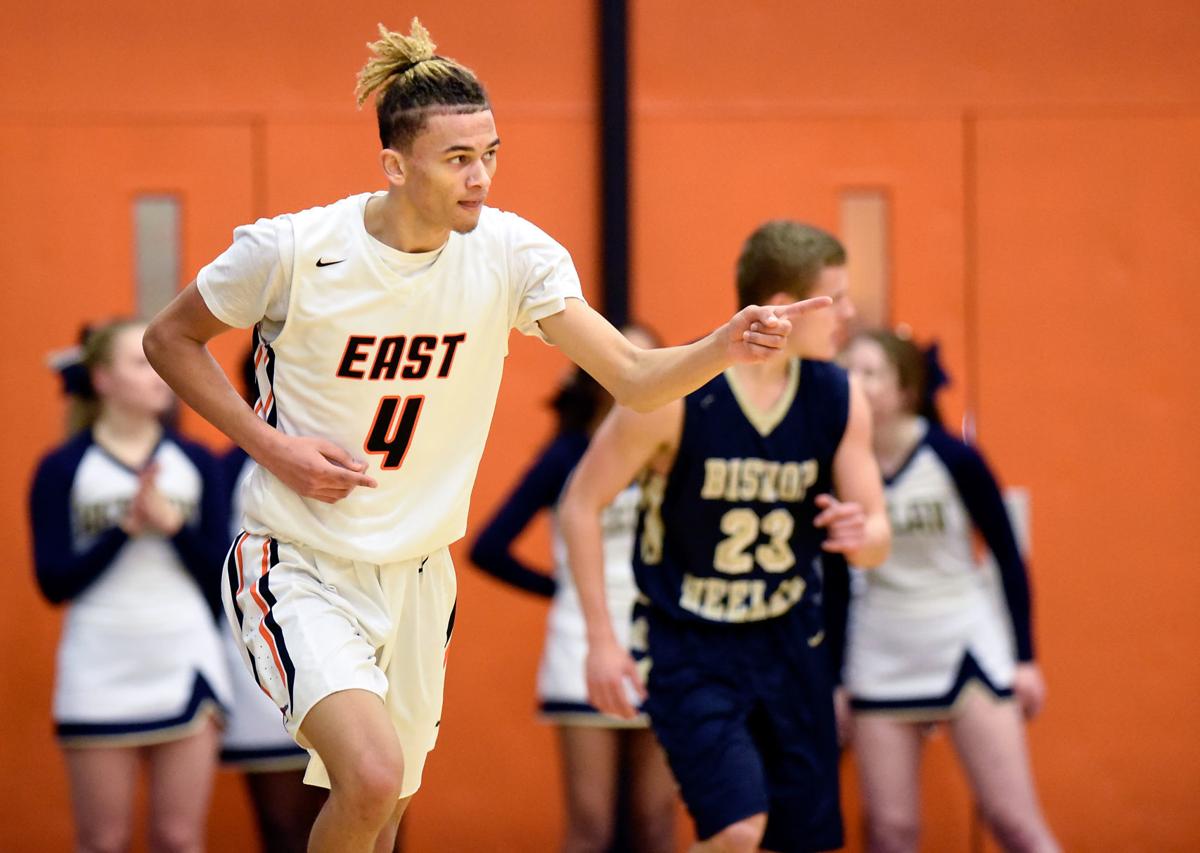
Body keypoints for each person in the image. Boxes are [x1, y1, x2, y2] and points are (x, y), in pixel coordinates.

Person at [140, 19, 830, 853]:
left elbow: (634, 377)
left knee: (383, 810)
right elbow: (167, 339)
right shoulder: (291, 249)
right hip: (297, 556)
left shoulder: (512, 253)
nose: (481, 178)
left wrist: (723, 343)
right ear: (395, 166)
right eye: (458, 159)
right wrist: (272, 445)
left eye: (491, 153)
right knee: (369, 776)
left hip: (419, 572)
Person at [560, 221, 890, 853]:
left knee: (802, 840)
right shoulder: (676, 391)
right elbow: (581, 504)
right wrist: (602, 642)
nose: (850, 314)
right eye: (836, 298)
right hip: (691, 647)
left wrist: (862, 533)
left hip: (791, 641)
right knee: (738, 830)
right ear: (784, 307)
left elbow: (876, 537)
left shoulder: (840, 395)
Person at [839, 329, 1059, 853]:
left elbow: (1008, 555)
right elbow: (832, 584)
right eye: (846, 371)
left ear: (905, 390)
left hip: (962, 641)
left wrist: (1025, 657)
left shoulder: (953, 457)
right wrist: (833, 680)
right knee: (891, 832)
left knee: (1013, 821)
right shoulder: (839, 464)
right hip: (880, 648)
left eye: (870, 372)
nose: (855, 382)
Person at [471, 325, 676, 853]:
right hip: (582, 643)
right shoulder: (566, 455)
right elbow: (487, 547)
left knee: (657, 823)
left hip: (666, 641)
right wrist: (562, 589)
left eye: (648, 358)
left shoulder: (676, 448)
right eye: (625, 356)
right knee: (590, 827)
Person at [29, 318, 231, 853]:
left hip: (185, 660)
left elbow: (221, 575)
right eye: (140, 363)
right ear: (101, 379)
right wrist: (125, 529)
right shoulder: (61, 468)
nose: (157, 375)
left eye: (157, 362)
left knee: (177, 837)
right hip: (98, 666)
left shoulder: (196, 463)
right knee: (102, 840)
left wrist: (173, 527)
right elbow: (53, 583)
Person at [220, 341, 328, 853]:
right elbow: (207, 571)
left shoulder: (357, 453)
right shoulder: (223, 469)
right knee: (284, 831)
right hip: (261, 670)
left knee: (372, 816)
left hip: (350, 660)